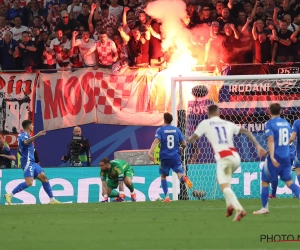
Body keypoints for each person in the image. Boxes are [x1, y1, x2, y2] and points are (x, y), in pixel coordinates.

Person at [188, 105, 267, 221]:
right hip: (236, 157)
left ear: (208, 113)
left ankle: (239, 209)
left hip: (224, 158)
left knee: (224, 187)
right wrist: (258, 146)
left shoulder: (205, 123)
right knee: (224, 182)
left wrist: (185, 140)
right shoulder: (227, 123)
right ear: (218, 113)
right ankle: (229, 206)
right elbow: (246, 131)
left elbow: (192, 139)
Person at [253, 103, 300, 215]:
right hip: (286, 157)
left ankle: (265, 208)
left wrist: (272, 156)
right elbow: (288, 140)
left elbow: (271, 140)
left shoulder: (270, 123)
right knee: (289, 183)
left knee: (265, 181)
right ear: (280, 112)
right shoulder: (287, 123)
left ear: (269, 112)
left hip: (275, 157)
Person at [4, 120, 61, 205]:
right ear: (28, 126)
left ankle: (52, 199)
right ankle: (9, 195)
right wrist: (38, 135)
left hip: (32, 162)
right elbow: (25, 142)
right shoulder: (22, 135)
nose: (33, 126)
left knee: (44, 178)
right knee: (29, 182)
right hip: (27, 162)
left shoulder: (27, 135)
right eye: (32, 125)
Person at [148, 113, 193, 203]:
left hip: (165, 157)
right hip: (175, 156)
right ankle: (185, 178)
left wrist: (150, 152)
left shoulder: (160, 130)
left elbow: (156, 141)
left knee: (163, 176)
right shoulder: (177, 130)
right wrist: (181, 148)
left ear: (164, 119)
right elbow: (184, 144)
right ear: (171, 120)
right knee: (179, 173)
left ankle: (167, 197)